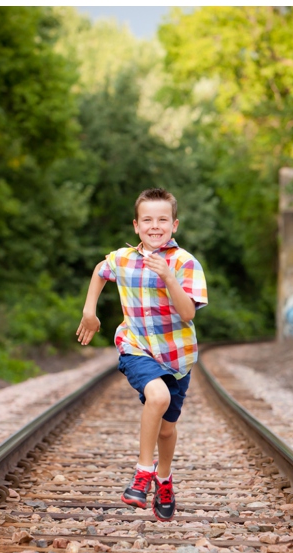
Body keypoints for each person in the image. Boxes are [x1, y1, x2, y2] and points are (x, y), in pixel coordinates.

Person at [75, 188, 208, 521]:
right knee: (157, 395)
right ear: (136, 226)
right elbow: (99, 271)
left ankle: (163, 479)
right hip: (135, 347)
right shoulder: (123, 259)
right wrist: (89, 311)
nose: (154, 226)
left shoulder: (185, 262)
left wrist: (167, 275)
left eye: (162, 220)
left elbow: (188, 313)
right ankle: (142, 472)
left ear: (174, 225)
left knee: (166, 428)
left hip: (177, 357)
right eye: (147, 220)